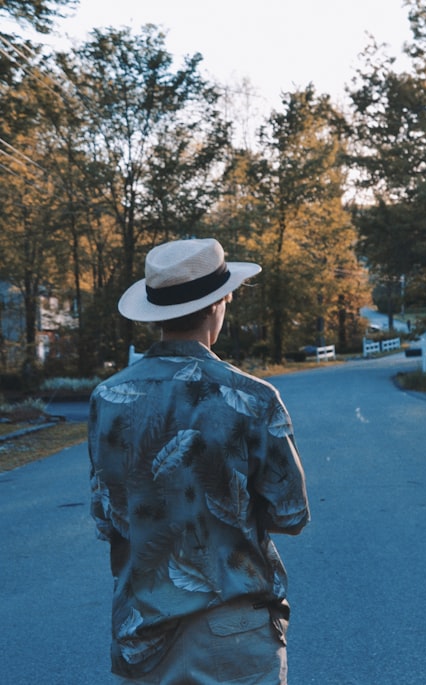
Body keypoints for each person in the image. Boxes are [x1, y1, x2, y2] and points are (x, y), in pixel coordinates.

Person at [88, 238, 310, 684]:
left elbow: (106, 517)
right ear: (219, 303)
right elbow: (292, 513)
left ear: (157, 314)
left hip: (144, 631)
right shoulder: (252, 398)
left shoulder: (107, 399)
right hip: (235, 628)